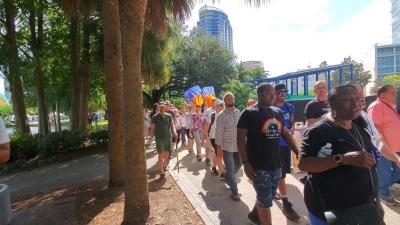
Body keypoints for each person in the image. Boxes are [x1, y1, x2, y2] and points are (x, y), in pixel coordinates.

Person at [299, 84, 384, 225]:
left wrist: (376, 201)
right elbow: (303, 163)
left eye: (357, 98)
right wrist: (342, 159)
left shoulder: (360, 128)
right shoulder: (318, 131)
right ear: (332, 104)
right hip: (332, 210)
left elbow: (371, 169)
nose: (356, 103)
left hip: (366, 207)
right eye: (347, 100)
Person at [237, 83, 299, 225]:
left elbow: (285, 132)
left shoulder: (277, 112)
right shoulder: (248, 113)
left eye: (274, 93)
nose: (273, 96)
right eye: (268, 93)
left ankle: (254, 215)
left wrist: (297, 151)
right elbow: (240, 139)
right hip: (258, 166)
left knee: (268, 196)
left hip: (276, 164)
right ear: (259, 94)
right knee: (265, 202)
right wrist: (245, 163)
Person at [368, 84, 400, 205]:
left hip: (395, 148)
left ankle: (380, 188)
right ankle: (382, 193)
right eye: (392, 92)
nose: (395, 94)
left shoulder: (389, 106)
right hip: (385, 149)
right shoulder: (377, 106)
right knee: (384, 172)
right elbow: (375, 128)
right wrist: (385, 145)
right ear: (382, 95)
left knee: (396, 173)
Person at [273, 83, 300, 221]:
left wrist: (292, 129)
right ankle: (285, 203)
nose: (283, 94)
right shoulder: (270, 108)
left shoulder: (290, 107)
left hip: (285, 145)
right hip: (273, 146)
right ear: (275, 93)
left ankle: (274, 193)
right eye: (280, 92)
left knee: (281, 172)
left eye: (285, 92)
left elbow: (292, 122)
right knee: (280, 173)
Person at [215, 92, 242, 201]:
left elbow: (241, 129)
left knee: (239, 165)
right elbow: (218, 133)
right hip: (227, 147)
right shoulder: (221, 115)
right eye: (228, 99)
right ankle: (234, 191)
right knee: (231, 170)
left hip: (238, 146)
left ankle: (226, 176)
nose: (231, 100)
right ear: (225, 101)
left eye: (232, 98)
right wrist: (218, 149)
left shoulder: (238, 112)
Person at [151, 103, 177, 179]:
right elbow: (152, 127)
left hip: (168, 137)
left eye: (163, 107)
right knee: (160, 153)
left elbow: (172, 125)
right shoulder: (154, 117)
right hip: (159, 138)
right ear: (159, 108)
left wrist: (174, 132)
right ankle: (161, 170)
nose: (162, 108)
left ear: (165, 108)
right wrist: (151, 137)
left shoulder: (169, 116)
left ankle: (165, 165)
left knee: (167, 152)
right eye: (160, 107)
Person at [202, 99, 225, 177]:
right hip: (214, 138)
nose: (223, 106)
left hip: (223, 138)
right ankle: (222, 173)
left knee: (217, 154)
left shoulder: (225, 114)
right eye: (221, 105)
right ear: (216, 106)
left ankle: (214, 167)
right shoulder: (212, 115)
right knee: (218, 154)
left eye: (223, 105)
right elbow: (206, 127)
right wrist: (203, 138)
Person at [202, 101, 215, 166]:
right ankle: (207, 159)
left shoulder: (221, 110)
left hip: (217, 133)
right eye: (214, 102)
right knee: (208, 147)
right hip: (209, 132)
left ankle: (216, 164)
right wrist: (205, 132)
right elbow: (204, 121)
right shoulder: (208, 111)